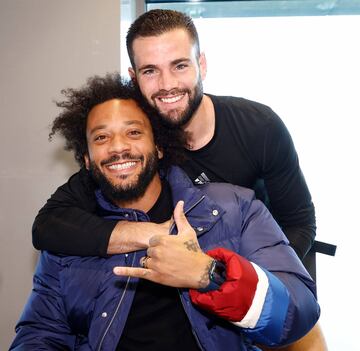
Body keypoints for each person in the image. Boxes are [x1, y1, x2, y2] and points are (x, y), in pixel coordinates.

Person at [31, 9, 325, 350]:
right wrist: (153, 234)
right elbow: (47, 227)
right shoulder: (117, 165)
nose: (167, 84)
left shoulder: (257, 133)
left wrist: (219, 273)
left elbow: (300, 225)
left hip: (254, 274)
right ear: (134, 77)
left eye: (180, 65)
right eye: (150, 71)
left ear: (201, 64)